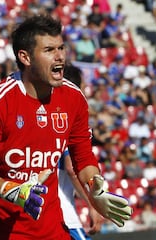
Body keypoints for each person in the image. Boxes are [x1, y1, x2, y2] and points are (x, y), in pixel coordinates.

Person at [0, 14, 132, 239]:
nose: (60, 56)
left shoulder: (73, 97)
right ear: (25, 57)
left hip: (53, 229)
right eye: (49, 50)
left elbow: (83, 160)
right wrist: (13, 190)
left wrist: (96, 189)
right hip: (4, 231)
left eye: (61, 48)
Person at [58, 63, 103, 240]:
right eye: (83, 87)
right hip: (63, 215)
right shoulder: (68, 118)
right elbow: (72, 168)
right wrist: (93, 205)